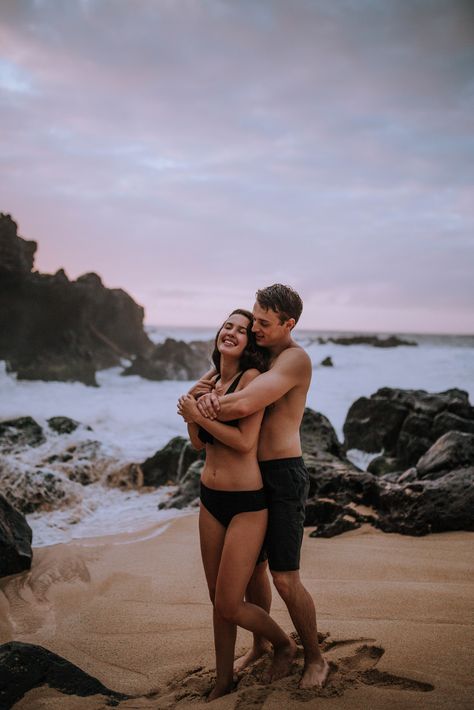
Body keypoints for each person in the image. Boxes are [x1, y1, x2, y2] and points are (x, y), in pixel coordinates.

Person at [191, 285, 329, 689]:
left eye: (265, 324)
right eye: (255, 321)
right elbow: (215, 382)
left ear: (290, 324)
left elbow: (244, 403)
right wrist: (202, 394)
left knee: (285, 578)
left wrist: (198, 406)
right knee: (254, 574)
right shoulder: (260, 353)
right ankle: (261, 646)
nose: (257, 330)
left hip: (283, 474)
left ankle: (315, 659)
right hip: (250, 479)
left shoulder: (294, 359)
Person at [177, 308, 297, 701]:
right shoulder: (211, 381)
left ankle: (282, 644)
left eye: (242, 330)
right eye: (227, 325)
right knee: (218, 601)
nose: (231, 332)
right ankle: (223, 679)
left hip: (247, 503)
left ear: (249, 344)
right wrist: (194, 415)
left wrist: (198, 413)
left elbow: (245, 442)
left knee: (231, 603)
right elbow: (198, 443)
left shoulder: (250, 380)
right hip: (209, 499)